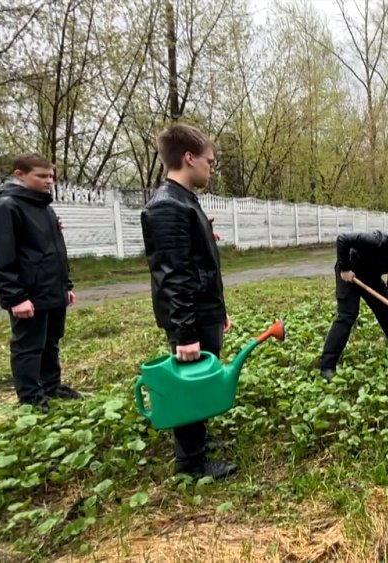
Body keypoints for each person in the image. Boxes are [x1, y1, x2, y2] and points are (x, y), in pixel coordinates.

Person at [140, 123, 237, 480]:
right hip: (190, 318)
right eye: (209, 161)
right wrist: (185, 334)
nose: (212, 168)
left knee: (201, 380)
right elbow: (173, 275)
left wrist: (218, 310)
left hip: (202, 312)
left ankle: (199, 440)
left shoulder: (184, 201)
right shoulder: (168, 207)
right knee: (190, 384)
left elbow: (198, 264)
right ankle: (192, 463)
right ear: (188, 158)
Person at [0, 153, 81, 414]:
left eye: (51, 176)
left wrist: (66, 286)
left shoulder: (44, 206)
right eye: (42, 176)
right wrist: (15, 298)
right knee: (28, 346)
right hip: (28, 293)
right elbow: (1, 257)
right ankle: (30, 397)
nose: (49, 181)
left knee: (51, 340)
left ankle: (51, 385)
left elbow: (55, 250)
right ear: (20, 175)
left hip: (52, 289)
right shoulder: (6, 208)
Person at [318, 223, 388, 381]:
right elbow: (343, 239)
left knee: (386, 312)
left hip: (371, 277)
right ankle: (327, 366)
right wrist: (344, 268)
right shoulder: (378, 241)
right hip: (350, 273)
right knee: (348, 315)